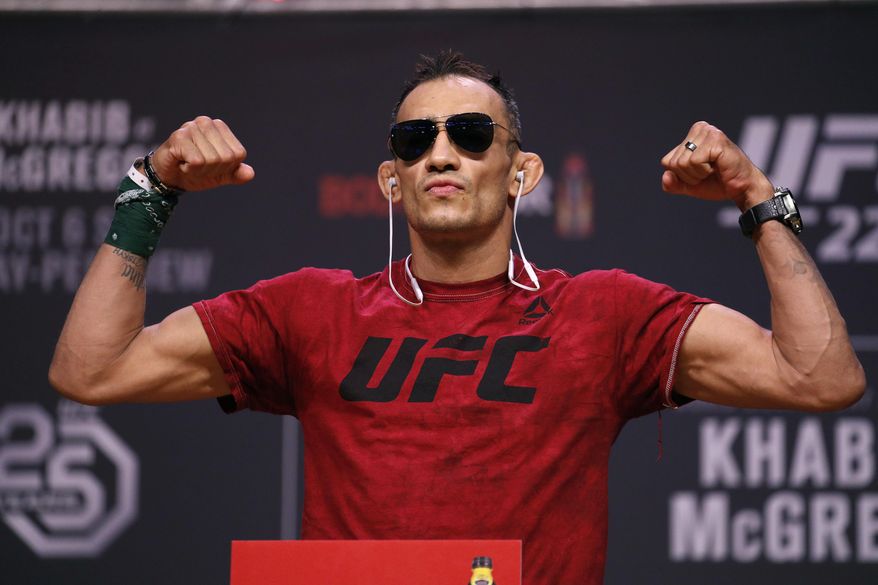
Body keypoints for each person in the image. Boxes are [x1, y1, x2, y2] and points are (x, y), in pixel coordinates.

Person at [49, 51, 865, 584]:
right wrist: (150, 190)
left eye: (472, 135)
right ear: (390, 180)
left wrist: (760, 199)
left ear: (524, 172)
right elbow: (92, 368)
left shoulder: (604, 313)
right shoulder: (311, 308)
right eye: (415, 139)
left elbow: (819, 376)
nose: (441, 153)